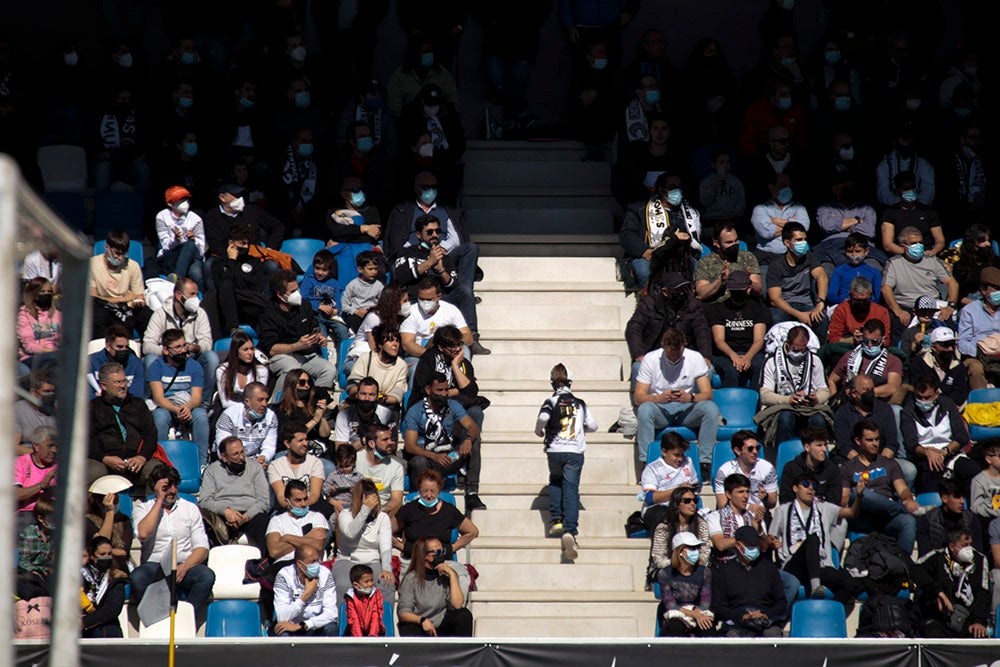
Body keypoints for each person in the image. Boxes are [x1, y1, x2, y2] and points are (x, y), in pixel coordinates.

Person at [769, 471, 867, 604]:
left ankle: (829, 611)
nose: (811, 488)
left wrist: (859, 495)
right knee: (813, 539)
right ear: (795, 488)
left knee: (854, 584)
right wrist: (772, 542)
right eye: (805, 484)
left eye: (814, 486)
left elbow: (851, 513)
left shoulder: (824, 508)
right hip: (793, 565)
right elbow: (770, 538)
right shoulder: (783, 510)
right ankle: (816, 588)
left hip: (820, 566)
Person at [633, 328, 720, 474]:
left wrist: (690, 397)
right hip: (660, 409)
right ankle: (646, 461)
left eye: (677, 353)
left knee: (710, 408)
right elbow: (638, 397)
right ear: (663, 347)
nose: (673, 357)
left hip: (687, 409)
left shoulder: (695, 357)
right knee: (645, 409)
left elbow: (707, 394)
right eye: (670, 353)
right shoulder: (651, 359)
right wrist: (657, 398)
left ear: (683, 346)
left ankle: (705, 463)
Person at [131, 465, 215, 614]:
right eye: (167, 486)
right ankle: (154, 617)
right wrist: (159, 500)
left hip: (183, 564)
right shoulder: (142, 509)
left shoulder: (190, 508)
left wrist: (186, 566)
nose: (172, 490)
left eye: (175, 485)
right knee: (137, 577)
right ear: (155, 487)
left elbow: (202, 548)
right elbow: (143, 534)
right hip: (155, 565)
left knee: (206, 576)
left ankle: (185, 616)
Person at [393, 221, 485, 357]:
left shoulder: (445, 257)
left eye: (437, 231)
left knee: (465, 291)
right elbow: (400, 277)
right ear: (418, 234)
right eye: (429, 232)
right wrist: (429, 263)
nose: (435, 235)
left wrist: (441, 269)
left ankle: (473, 337)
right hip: (415, 300)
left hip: (440, 300)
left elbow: (454, 287)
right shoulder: (406, 252)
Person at [536, 363, 597, 559]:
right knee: (571, 489)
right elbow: (593, 426)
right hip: (574, 451)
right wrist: (581, 430)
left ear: (552, 382)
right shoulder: (580, 403)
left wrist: (539, 431)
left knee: (555, 481)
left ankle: (556, 521)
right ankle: (570, 530)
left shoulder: (551, 400)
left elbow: (543, 417)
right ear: (571, 381)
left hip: (554, 450)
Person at [841, 419, 919, 554]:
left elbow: (903, 489)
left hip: (886, 517)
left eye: (877, 439)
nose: (875, 444)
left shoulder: (889, 463)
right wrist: (859, 493)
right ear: (858, 441)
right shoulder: (848, 468)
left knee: (908, 522)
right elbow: (844, 499)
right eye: (870, 440)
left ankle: (903, 565)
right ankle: (900, 509)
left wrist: (908, 499)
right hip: (862, 517)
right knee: (859, 493)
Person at [626, 272, 713, 392]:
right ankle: (642, 405)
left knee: (708, 369)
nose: (681, 293)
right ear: (665, 291)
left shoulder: (692, 304)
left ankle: (694, 403)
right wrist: (638, 354)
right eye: (677, 290)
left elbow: (702, 331)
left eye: (683, 288)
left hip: (683, 354)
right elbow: (634, 328)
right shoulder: (649, 303)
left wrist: (705, 356)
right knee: (638, 367)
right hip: (654, 354)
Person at [141, 278, 218, 409]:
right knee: (150, 359)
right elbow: (147, 345)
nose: (196, 298)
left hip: (191, 357)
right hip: (167, 359)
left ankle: (203, 405)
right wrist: (169, 351)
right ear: (178, 295)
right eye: (192, 294)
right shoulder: (160, 314)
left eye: (196, 294)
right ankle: (150, 402)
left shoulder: (200, 313)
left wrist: (196, 348)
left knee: (211, 358)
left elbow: (207, 343)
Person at [619, 173, 702, 291]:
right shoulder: (639, 210)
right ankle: (651, 305)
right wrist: (645, 251)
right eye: (673, 187)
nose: (677, 190)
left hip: (680, 256)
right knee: (645, 272)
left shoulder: (690, 211)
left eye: (680, 186)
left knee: (700, 271)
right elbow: (627, 236)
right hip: (649, 256)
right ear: (662, 190)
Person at [258, 269, 337, 393]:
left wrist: (318, 337)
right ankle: (276, 404)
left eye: (298, 289)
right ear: (280, 294)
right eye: (293, 291)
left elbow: (314, 327)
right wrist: (297, 345)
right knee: (293, 371)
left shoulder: (304, 305)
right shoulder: (268, 314)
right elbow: (272, 349)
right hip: (282, 357)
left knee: (329, 370)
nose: (298, 293)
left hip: (306, 356)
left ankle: (314, 403)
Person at [900, 375, 979, 495]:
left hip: (950, 453)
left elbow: (961, 436)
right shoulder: (908, 411)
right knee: (932, 475)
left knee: (973, 471)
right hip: (925, 456)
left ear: (936, 394)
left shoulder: (947, 404)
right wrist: (928, 453)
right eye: (919, 397)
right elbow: (911, 444)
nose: (923, 401)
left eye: (927, 397)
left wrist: (944, 452)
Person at [758, 325, 831, 448]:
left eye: (803, 350)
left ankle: (819, 455)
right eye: (796, 350)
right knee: (786, 417)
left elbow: (825, 390)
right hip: (782, 408)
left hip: (809, 407)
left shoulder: (815, 360)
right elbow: (765, 395)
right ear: (787, 343)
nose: (800, 354)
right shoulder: (772, 361)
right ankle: (782, 455)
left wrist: (817, 398)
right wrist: (788, 399)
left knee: (819, 419)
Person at [87, 362, 159, 488]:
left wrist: (142, 457)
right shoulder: (92, 407)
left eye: (124, 381)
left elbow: (150, 434)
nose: (123, 386)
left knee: (158, 471)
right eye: (117, 382)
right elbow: (86, 440)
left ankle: (153, 507)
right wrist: (104, 458)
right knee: (93, 473)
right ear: (104, 385)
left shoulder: (138, 405)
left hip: (136, 461)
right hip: (104, 461)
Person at [147, 328, 210, 468]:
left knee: (200, 416)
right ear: (166, 350)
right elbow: (158, 397)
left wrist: (187, 408)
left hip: (188, 405)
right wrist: (176, 410)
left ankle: (202, 463)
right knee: (160, 417)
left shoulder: (194, 366)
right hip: (167, 406)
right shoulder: (156, 367)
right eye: (177, 347)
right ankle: (158, 463)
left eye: (184, 345)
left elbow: (197, 398)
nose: (183, 350)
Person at [911, 528, 991, 638]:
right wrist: (938, 592)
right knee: (931, 632)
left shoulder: (979, 560)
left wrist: (979, 621)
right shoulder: (937, 557)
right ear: (952, 547)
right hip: (939, 618)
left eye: (970, 545)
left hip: (968, 619)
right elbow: (914, 570)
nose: (969, 549)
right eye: (964, 545)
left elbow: (983, 593)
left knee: (980, 635)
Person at [711, 524, 787, 637]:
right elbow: (719, 606)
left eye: (756, 544)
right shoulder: (724, 571)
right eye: (750, 545)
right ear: (738, 545)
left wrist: (765, 614)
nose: (754, 548)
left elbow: (780, 602)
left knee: (773, 635)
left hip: (764, 620)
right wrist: (742, 616)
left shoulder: (769, 568)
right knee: (732, 637)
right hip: (737, 621)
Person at [199, 436, 271, 549]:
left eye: (242, 452)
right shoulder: (212, 470)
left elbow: (264, 501)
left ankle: (262, 564)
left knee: (263, 520)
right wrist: (226, 511)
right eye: (236, 454)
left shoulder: (255, 468)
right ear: (224, 457)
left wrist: (246, 517)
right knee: (205, 521)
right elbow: (205, 501)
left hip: (249, 515)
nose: (241, 457)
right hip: (222, 515)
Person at [408, 325, 487, 428]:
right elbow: (423, 389)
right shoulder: (429, 359)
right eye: (453, 346)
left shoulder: (462, 363)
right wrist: (453, 391)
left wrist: (455, 366)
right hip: (430, 406)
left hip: (453, 406)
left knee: (475, 412)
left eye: (459, 344)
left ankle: (467, 441)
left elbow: (471, 392)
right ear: (441, 347)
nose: (458, 349)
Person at [393, 468, 479, 563]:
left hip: (442, 561)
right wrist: (402, 546)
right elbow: (387, 530)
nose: (429, 495)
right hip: (413, 560)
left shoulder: (449, 511)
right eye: (425, 491)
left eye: (433, 491)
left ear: (439, 491)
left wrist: (451, 549)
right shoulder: (408, 509)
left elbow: (472, 532)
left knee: (462, 576)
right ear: (419, 489)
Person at [333, 480, 395, 606]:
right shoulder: (345, 514)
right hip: (347, 558)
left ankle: (385, 624)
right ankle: (343, 622)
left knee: (386, 584)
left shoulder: (383, 517)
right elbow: (350, 533)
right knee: (343, 584)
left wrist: (387, 569)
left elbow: (385, 546)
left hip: (373, 559)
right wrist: (365, 510)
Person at [396, 535, 473, 637]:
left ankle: (462, 652)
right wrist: (422, 620)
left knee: (464, 615)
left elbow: (457, 605)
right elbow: (403, 613)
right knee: (407, 628)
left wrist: (453, 575)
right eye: (436, 553)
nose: (440, 555)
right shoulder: (411, 579)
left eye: (441, 551)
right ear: (424, 555)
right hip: (420, 625)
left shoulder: (446, 576)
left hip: (440, 625)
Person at [704, 270, 769, 387]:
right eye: (734, 290)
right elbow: (719, 341)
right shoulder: (718, 309)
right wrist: (733, 356)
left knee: (759, 366)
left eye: (740, 290)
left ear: (748, 289)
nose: (737, 293)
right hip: (725, 354)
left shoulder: (759, 309)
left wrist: (748, 357)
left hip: (751, 352)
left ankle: (757, 402)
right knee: (731, 370)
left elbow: (759, 340)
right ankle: (730, 403)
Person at [766, 221, 829, 337]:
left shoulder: (810, 257)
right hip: (785, 306)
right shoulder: (776, 266)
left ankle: (819, 352)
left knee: (821, 319)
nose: (804, 243)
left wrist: (820, 303)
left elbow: (821, 276)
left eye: (805, 239)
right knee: (775, 318)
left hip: (806, 303)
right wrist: (799, 315)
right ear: (787, 243)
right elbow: (774, 299)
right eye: (799, 240)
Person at [209, 222, 270, 333]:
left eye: (247, 244)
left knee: (228, 286)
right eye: (242, 243)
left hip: (248, 305)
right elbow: (221, 287)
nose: (246, 247)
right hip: (226, 309)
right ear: (231, 243)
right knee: (225, 287)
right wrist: (231, 262)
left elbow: (255, 289)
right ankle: (233, 328)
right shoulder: (218, 264)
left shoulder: (255, 263)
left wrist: (232, 280)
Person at [88, 229, 150, 338]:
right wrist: (121, 299)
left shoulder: (133, 266)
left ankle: (147, 348)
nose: (120, 258)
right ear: (107, 247)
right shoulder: (93, 264)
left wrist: (137, 301)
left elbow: (138, 294)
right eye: (117, 253)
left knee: (146, 315)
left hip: (126, 307)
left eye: (124, 254)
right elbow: (93, 296)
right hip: (103, 306)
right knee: (96, 315)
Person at [750, 171, 811, 277]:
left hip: (794, 254)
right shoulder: (760, 209)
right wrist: (791, 223)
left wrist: (775, 221)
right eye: (783, 185)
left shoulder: (799, 207)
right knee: (763, 274)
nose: (787, 188)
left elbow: (803, 228)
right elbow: (766, 232)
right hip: (766, 256)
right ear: (771, 188)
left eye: (789, 185)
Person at [271, 544, 339, 636]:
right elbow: (282, 617)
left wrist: (303, 625)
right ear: (299, 564)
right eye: (312, 561)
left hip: (315, 626)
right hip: (290, 627)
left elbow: (332, 613)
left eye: (318, 560)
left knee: (331, 628)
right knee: (282, 632)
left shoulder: (325, 574)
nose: (317, 564)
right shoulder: (284, 576)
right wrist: (305, 595)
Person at [657, 531, 716, 637]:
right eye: (692, 548)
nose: (696, 552)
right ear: (680, 551)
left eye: (697, 548)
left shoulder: (705, 572)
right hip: (677, 614)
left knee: (707, 627)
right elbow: (670, 605)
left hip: (699, 611)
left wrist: (698, 613)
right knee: (675, 628)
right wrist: (693, 614)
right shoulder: (665, 574)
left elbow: (705, 601)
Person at [269, 420, 332, 518]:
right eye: (300, 441)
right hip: (286, 512)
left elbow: (315, 494)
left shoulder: (315, 463)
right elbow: (281, 496)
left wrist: (302, 507)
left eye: (306, 439)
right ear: (287, 444)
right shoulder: (275, 466)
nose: (305, 443)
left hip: (311, 509)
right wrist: (293, 509)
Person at [638, 432, 699, 533]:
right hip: (659, 508)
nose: (680, 459)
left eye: (682, 455)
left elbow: (695, 484)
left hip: (684, 506)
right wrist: (677, 491)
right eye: (676, 455)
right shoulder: (652, 469)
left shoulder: (688, 462)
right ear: (664, 452)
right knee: (667, 522)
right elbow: (650, 498)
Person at [648, 487, 710, 585]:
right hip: (668, 569)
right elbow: (659, 560)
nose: (692, 504)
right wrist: (680, 563)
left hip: (694, 567)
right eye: (687, 501)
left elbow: (705, 551)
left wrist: (697, 562)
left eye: (695, 500)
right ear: (676, 505)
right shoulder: (664, 527)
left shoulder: (701, 524)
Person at [828, 319, 902, 400]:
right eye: (866, 341)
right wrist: (834, 398)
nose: (869, 345)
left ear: (883, 339)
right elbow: (832, 380)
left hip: (877, 403)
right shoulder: (849, 356)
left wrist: (863, 393)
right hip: (849, 402)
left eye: (874, 341)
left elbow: (892, 388)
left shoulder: (893, 361)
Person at [826, 277, 891, 363]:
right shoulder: (842, 309)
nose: (861, 304)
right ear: (850, 295)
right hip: (848, 349)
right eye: (857, 300)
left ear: (871, 295)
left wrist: (869, 339)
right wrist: (852, 340)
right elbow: (833, 338)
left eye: (865, 301)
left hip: (874, 349)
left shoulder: (881, 312)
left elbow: (886, 340)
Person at [214, 381, 279, 466]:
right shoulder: (229, 416)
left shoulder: (271, 417)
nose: (264, 404)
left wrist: (264, 457)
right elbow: (223, 449)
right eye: (260, 400)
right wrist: (246, 464)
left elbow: (269, 447)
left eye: (266, 400)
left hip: (256, 462)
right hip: (231, 463)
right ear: (247, 401)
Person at [693, 224, 762, 304]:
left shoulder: (747, 257)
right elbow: (701, 294)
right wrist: (721, 280)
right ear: (716, 242)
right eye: (729, 242)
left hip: (744, 304)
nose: (734, 244)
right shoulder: (705, 262)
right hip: (718, 307)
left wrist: (747, 281)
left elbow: (759, 290)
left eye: (736, 241)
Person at [273, 370, 332, 460]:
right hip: (291, 453)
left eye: (309, 382)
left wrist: (322, 416)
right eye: (302, 382)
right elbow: (292, 435)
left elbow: (325, 434)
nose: (307, 386)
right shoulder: (282, 410)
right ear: (292, 385)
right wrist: (314, 420)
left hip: (317, 452)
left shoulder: (313, 406)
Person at [713, 431, 778, 512]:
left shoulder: (767, 469)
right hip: (733, 515)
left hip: (760, 514)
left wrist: (766, 497)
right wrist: (748, 508)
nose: (755, 452)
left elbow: (773, 503)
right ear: (737, 450)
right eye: (750, 449)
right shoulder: (724, 472)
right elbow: (722, 505)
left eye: (757, 448)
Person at [154, 185, 206, 289]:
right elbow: (165, 245)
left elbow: (202, 249)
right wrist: (176, 240)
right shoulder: (162, 217)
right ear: (170, 203)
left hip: (193, 256)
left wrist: (194, 239)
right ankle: (178, 282)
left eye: (186, 199)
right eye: (180, 201)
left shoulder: (196, 219)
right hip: (171, 254)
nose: (185, 203)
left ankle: (177, 279)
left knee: (195, 273)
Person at [298, 249, 350, 350]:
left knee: (343, 330)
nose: (320, 272)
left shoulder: (333, 282)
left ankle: (343, 359)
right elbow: (303, 300)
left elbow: (337, 300)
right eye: (317, 268)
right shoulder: (308, 281)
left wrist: (336, 310)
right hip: (315, 316)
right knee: (321, 335)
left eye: (324, 270)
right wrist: (319, 306)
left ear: (330, 270)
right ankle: (323, 359)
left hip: (330, 316)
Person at [778, 426, 844, 505]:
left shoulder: (833, 469)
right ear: (807, 447)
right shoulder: (791, 468)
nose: (824, 449)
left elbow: (834, 502)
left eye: (825, 445)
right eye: (819, 445)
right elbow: (785, 500)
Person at [958, 266, 1000, 391]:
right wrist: (980, 354)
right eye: (996, 289)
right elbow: (962, 341)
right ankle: (982, 405)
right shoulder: (969, 311)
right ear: (983, 290)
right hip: (976, 355)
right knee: (976, 368)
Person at [917, 479, 982, 558]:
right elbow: (925, 555)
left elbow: (978, 553)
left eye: (963, 497)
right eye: (957, 497)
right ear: (944, 499)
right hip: (937, 565)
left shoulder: (971, 520)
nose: (962, 501)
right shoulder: (927, 520)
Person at [346, 325, 408, 407]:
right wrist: (367, 394)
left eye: (397, 341)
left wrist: (380, 397)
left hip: (385, 405)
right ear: (380, 344)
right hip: (361, 402)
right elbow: (352, 386)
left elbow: (397, 394)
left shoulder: (401, 365)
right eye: (390, 341)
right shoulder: (366, 358)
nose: (395, 344)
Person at [80, 536, 128, 638]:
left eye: (109, 554)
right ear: (92, 556)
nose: (106, 557)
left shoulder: (116, 578)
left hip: (106, 630)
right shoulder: (79, 576)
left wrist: (84, 622)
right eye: (102, 554)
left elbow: (112, 609)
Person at [85, 475, 135, 572]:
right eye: (113, 501)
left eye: (116, 501)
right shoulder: (88, 521)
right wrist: (110, 512)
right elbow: (102, 543)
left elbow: (123, 552)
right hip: (97, 566)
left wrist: (107, 551)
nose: (115, 504)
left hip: (119, 566)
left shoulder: (124, 520)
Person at [909, 326, 969, 408]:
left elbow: (959, 395)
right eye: (946, 345)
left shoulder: (958, 366)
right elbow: (918, 390)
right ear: (933, 347)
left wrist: (939, 401)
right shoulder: (919, 363)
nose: (950, 349)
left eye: (953, 345)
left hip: (950, 409)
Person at [355, 424, 406, 517]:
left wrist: (380, 512)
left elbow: (396, 500)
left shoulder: (396, 467)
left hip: (382, 512)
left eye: (390, 439)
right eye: (385, 440)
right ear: (371, 443)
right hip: (356, 509)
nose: (391, 442)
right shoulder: (356, 460)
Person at [334, 377, 399, 449]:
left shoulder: (387, 414)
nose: (367, 398)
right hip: (352, 458)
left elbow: (391, 448)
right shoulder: (344, 415)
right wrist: (365, 440)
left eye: (371, 395)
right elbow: (340, 451)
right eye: (363, 394)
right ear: (357, 395)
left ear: (377, 396)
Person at [215, 329, 270, 411]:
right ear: (236, 351)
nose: (250, 353)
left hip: (253, 412)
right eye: (245, 349)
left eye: (252, 349)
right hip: (229, 410)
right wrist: (245, 408)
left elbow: (259, 399)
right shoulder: (222, 370)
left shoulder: (261, 371)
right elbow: (225, 402)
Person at [697, 150, 746, 241]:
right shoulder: (706, 183)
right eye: (721, 162)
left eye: (728, 162)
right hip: (712, 221)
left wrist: (734, 215)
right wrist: (714, 187)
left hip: (731, 220)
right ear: (713, 164)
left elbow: (741, 205)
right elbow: (704, 202)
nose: (725, 165)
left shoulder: (736, 182)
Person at [86, 323, 144, 401]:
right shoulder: (91, 361)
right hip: (97, 407)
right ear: (108, 346)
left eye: (126, 347)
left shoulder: (135, 363)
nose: (123, 350)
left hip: (126, 408)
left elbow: (137, 395)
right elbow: (86, 394)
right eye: (119, 347)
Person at [14, 426, 57, 530]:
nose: (55, 450)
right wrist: (42, 485)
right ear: (37, 447)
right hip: (25, 513)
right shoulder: (20, 463)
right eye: (50, 446)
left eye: (57, 446)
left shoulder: (59, 466)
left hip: (52, 513)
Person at [16, 277, 60, 373]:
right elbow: (28, 345)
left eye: (49, 291)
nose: (46, 294)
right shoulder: (24, 316)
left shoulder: (57, 315)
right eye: (42, 291)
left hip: (56, 357)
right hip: (31, 359)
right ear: (34, 294)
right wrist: (50, 351)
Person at [16, 492, 54, 600]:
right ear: (41, 519)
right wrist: (36, 571)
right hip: (29, 573)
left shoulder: (54, 536)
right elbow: (23, 561)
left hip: (45, 573)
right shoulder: (29, 533)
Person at [341, 251, 385, 332]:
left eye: (375, 268)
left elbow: (382, 304)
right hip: (357, 314)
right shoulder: (352, 285)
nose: (374, 272)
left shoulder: (379, 286)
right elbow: (344, 305)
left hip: (372, 314)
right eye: (370, 269)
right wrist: (356, 311)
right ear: (360, 269)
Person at [13, 371, 57, 455]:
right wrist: (41, 453)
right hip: (28, 458)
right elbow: (13, 446)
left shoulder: (59, 409)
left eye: (53, 391)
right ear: (33, 393)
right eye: (46, 391)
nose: (51, 395)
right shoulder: (17, 410)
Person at [343, 563, 387, 636]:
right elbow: (353, 619)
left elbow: (376, 616)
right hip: (355, 634)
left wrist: (373, 635)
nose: (370, 584)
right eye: (366, 581)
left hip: (375, 633)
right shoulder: (350, 597)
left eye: (371, 580)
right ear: (356, 585)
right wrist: (359, 638)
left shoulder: (376, 594)